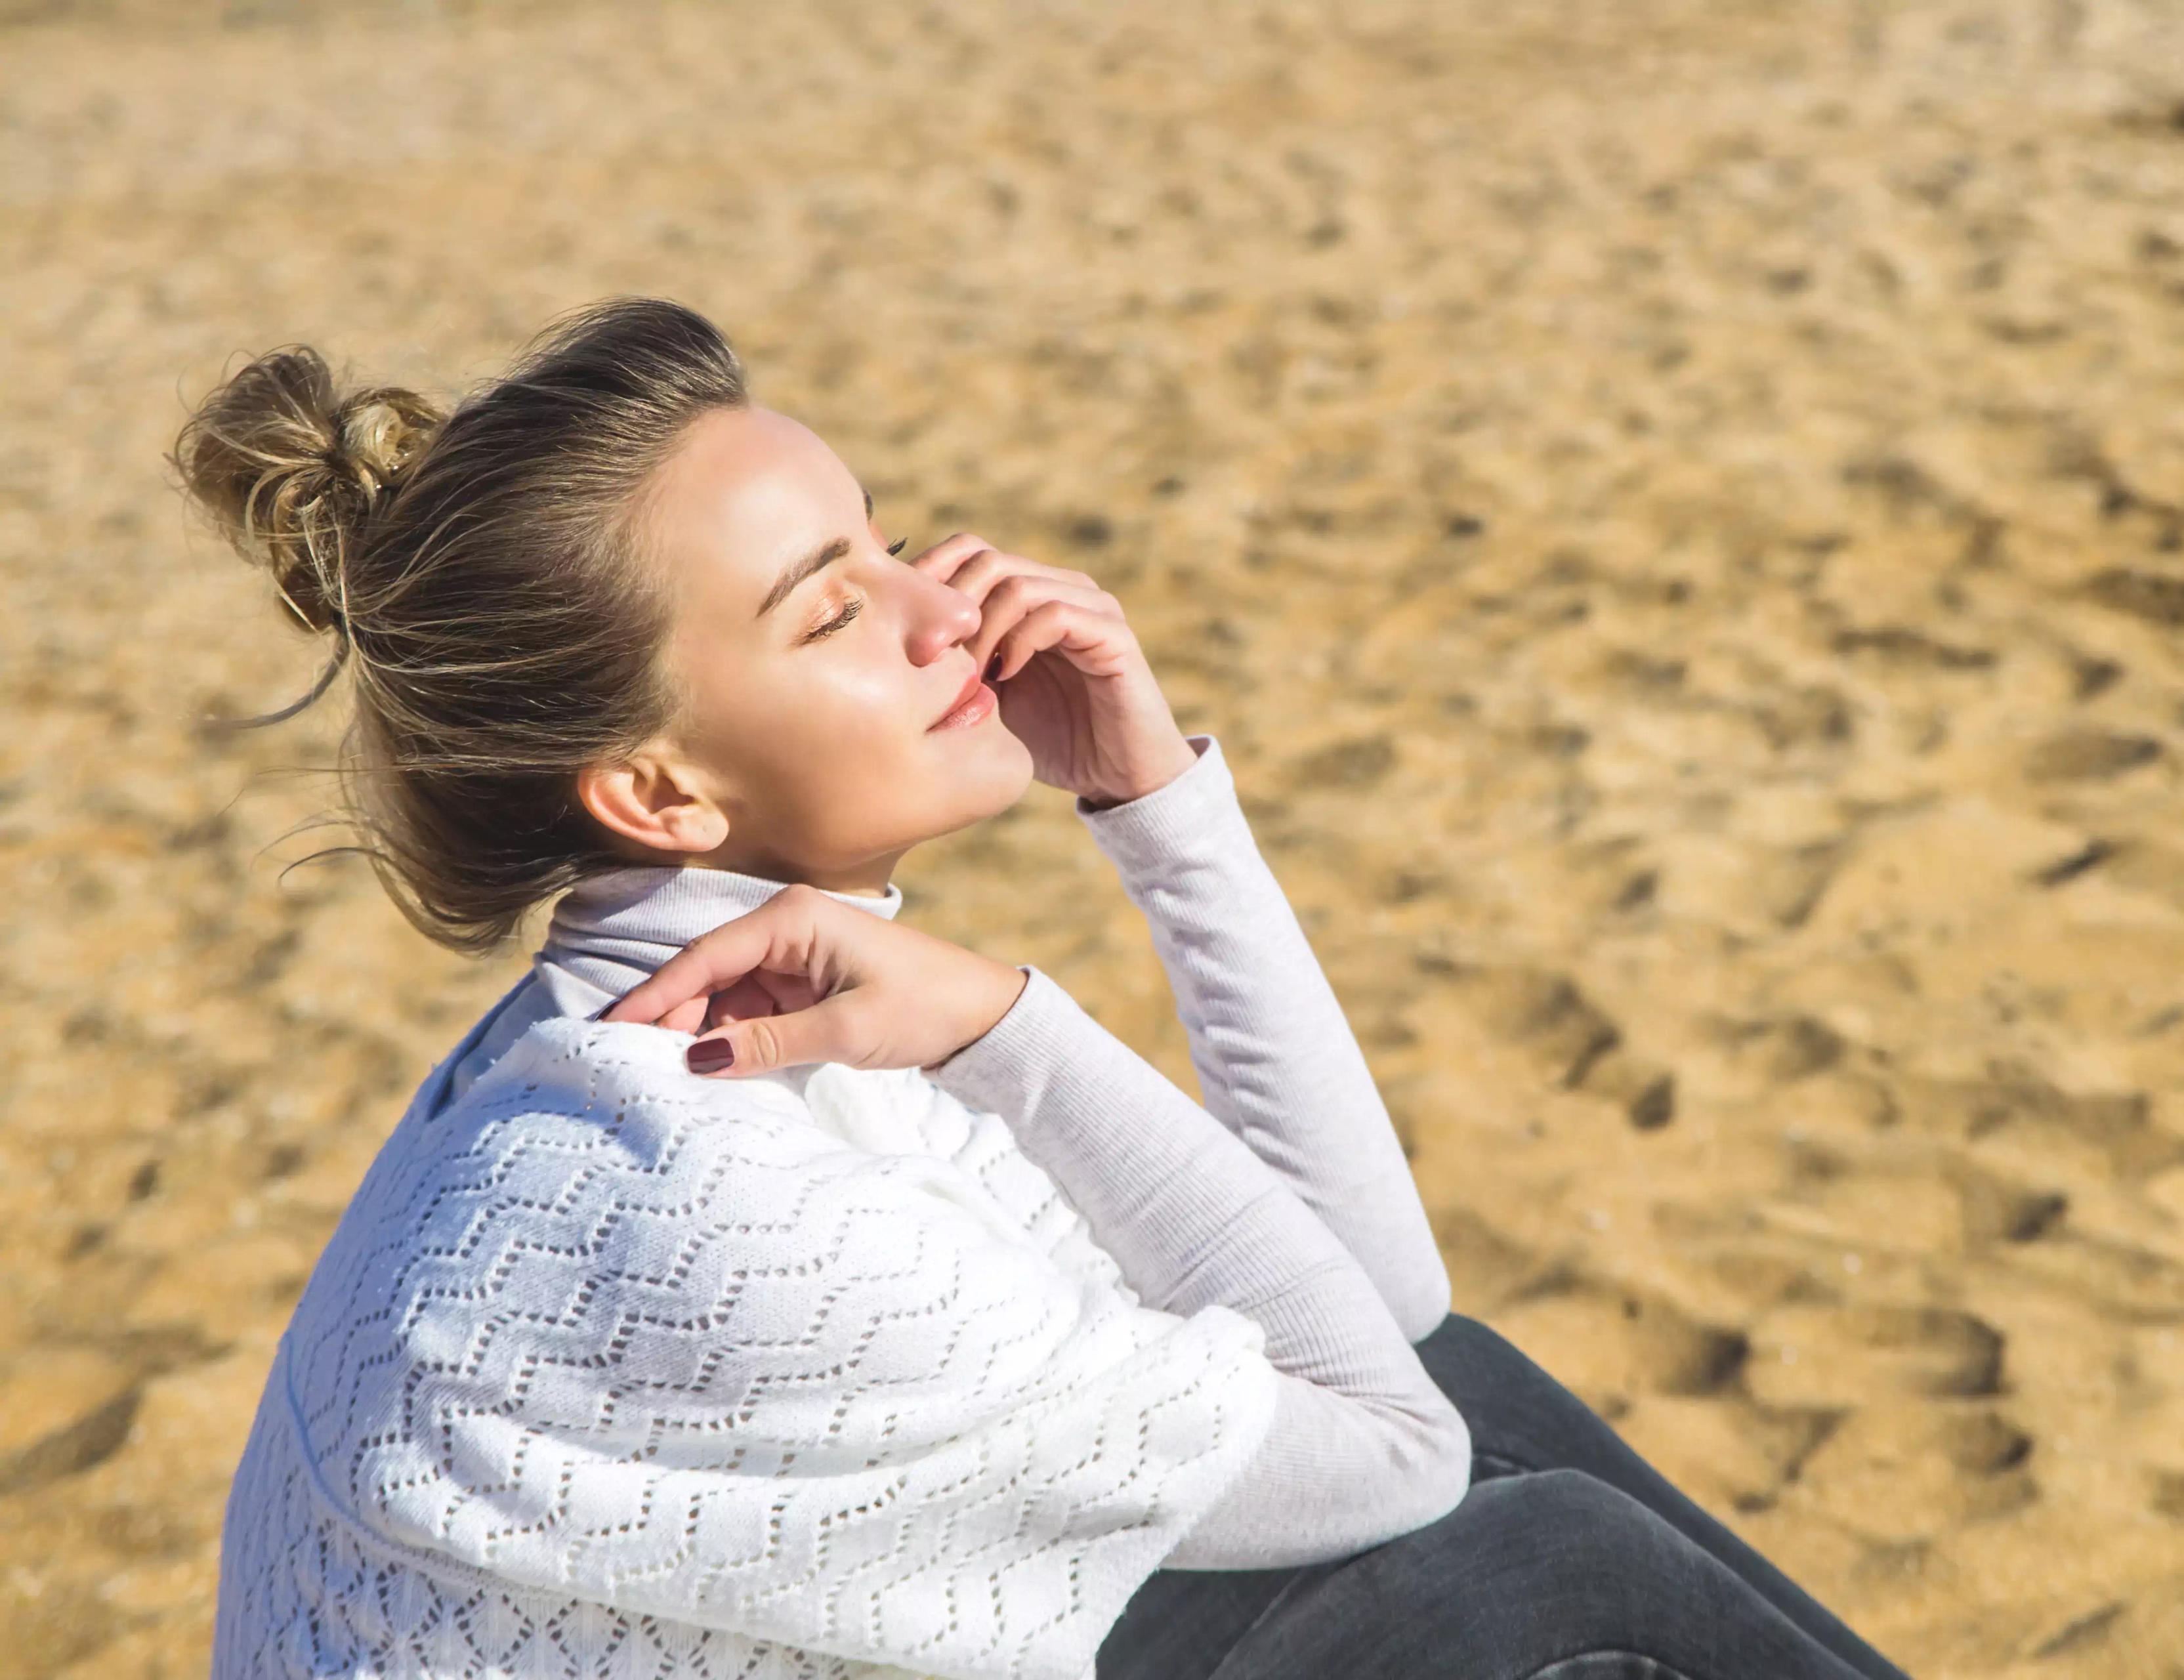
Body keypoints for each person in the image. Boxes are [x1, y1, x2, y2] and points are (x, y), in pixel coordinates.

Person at [175, 296, 1911, 1680]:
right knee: (1544, 1570)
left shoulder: (759, 1007)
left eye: (890, 538)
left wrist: (1160, 811)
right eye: (830, 610)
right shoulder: (693, 1169)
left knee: (1496, 1403)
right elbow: (1390, 1447)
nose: (946, 610)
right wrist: (1014, 1025)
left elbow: (1387, 1318)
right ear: (661, 794)